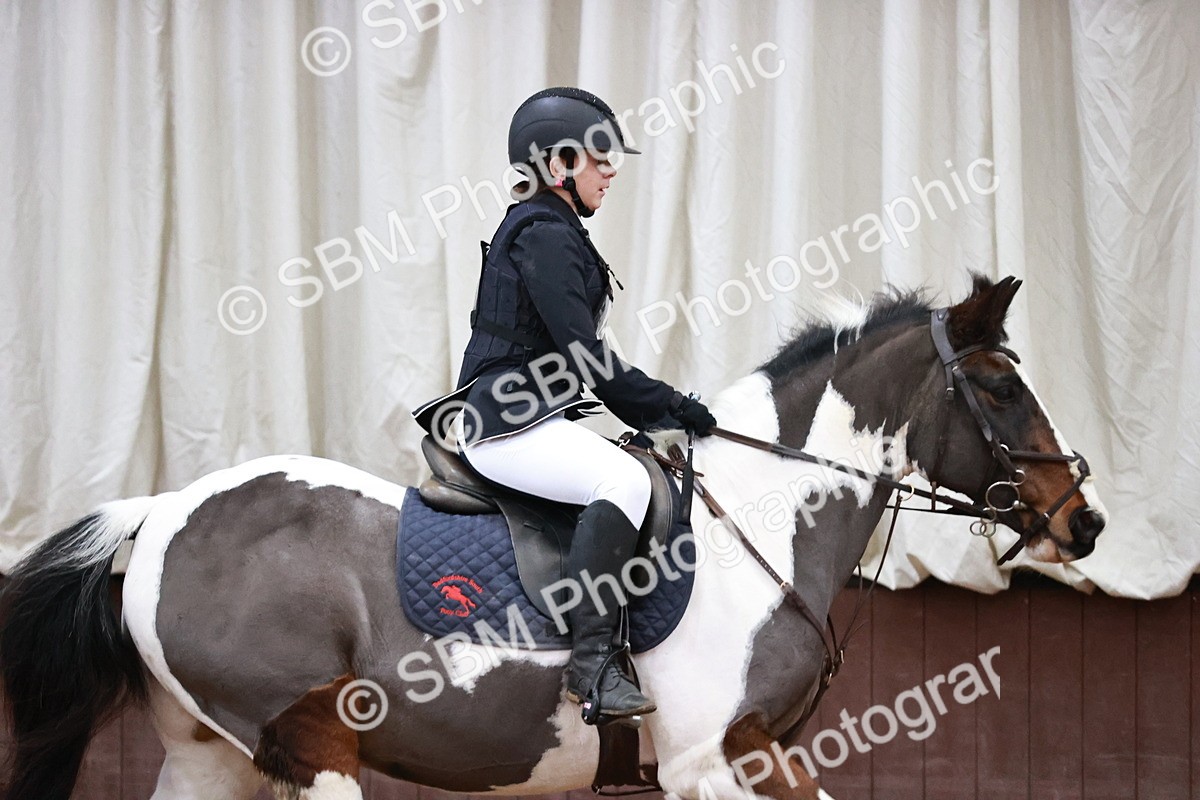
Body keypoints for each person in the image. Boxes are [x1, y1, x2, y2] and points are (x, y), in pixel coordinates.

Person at [414, 87, 716, 723]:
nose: (611, 170)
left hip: (528, 413)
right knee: (625, 479)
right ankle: (593, 667)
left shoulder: (551, 229)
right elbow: (587, 359)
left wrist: (658, 408)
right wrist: (669, 406)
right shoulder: (545, 234)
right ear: (557, 166)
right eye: (599, 157)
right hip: (505, 424)